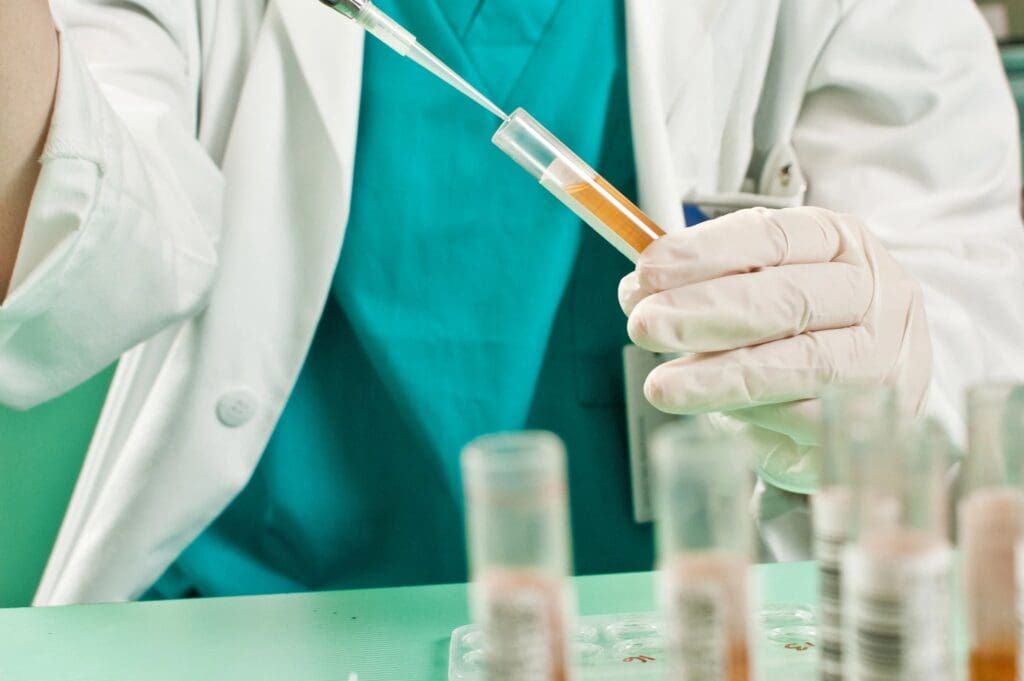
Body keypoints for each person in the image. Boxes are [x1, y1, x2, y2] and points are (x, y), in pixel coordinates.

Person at [2, 0, 1023, 606]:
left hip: (673, 631)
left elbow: (967, 301)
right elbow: (82, 252)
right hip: (248, 617)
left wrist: (882, 354)